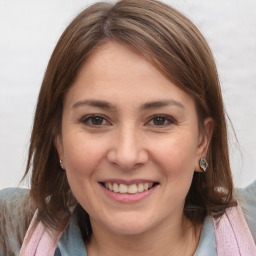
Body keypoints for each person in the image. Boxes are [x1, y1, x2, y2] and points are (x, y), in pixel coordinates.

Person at [0, 0, 255, 255]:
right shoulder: (8, 232)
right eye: (96, 120)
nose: (126, 156)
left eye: (159, 120)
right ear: (59, 141)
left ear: (202, 141)